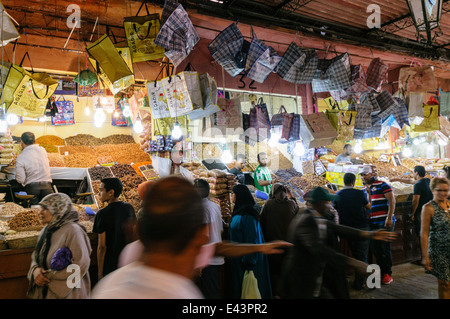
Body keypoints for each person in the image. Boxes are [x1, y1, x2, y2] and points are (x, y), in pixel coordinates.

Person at [92, 176, 291, 299]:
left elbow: (218, 248)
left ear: (135, 229)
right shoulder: (180, 294)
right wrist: (259, 247)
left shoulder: (115, 277)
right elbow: (217, 248)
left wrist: (259, 247)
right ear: (199, 236)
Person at [279, 187, 397, 299]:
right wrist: (356, 264)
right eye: (327, 202)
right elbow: (321, 251)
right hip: (299, 279)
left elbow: (339, 229)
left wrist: (370, 234)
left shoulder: (317, 217)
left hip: (314, 275)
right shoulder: (305, 222)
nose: (330, 205)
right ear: (319, 204)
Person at [27, 193, 92, 299]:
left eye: (45, 208)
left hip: (69, 294)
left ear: (59, 210)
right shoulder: (46, 230)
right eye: (41, 208)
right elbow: (36, 255)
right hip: (46, 292)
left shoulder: (73, 230)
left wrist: (49, 277)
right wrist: (35, 271)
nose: (40, 212)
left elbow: (80, 264)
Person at [228, 184, 272, 299]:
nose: (232, 196)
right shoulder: (240, 211)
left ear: (239, 196)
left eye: (233, 193)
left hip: (247, 262)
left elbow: (251, 238)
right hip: (238, 259)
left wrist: (249, 263)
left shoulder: (248, 214)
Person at [334, 172, 372, 290]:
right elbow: (369, 207)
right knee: (362, 256)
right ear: (353, 182)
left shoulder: (338, 194)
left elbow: (334, 209)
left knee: (356, 255)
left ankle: (359, 281)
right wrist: (369, 194)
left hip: (347, 230)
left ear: (343, 181)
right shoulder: (359, 193)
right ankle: (361, 283)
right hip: (361, 228)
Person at [260, 183, 299, 297]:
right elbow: (296, 207)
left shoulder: (268, 204)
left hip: (272, 244)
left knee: (273, 272)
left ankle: (275, 294)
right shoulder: (291, 204)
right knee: (285, 271)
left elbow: (262, 222)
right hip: (288, 244)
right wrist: (290, 195)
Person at [93, 177, 136, 281]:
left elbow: (102, 247)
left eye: (101, 190)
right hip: (126, 261)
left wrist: (99, 272)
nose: (99, 193)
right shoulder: (129, 208)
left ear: (111, 192)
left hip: (110, 264)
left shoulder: (101, 214)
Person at [360, 165, 396, 285]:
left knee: (384, 248)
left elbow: (392, 200)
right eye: (361, 175)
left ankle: (388, 274)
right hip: (373, 223)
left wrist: (389, 217)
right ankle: (381, 272)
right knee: (376, 249)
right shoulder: (363, 189)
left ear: (371, 174)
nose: (363, 177)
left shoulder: (382, 185)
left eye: (365, 174)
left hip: (384, 221)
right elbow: (369, 205)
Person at [193, 178, 225, 299]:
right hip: (218, 256)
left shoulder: (202, 209)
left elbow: (205, 236)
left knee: (210, 293)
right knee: (214, 290)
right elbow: (221, 230)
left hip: (208, 260)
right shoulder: (215, 206)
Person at [420, 177, 450, 299]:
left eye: (446, 190)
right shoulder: (428, 208)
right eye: (439, 190)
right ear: (432, 190)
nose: (443, 193)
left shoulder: (449, 205)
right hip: (439, 251)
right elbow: (424, 233)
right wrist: (425, 256)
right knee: (444, 283)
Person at [390, 165, 432, 244]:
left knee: (422, 234)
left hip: (421, 212)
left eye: (413, 172)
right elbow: (410, 181)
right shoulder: (427, 180)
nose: (413, 175)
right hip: (430, 210)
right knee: (429, 233)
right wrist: (397, 179)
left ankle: (424, 254)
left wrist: (412, 213)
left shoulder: (418, 185)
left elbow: (415, 201)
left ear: (416, 173)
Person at [15, 132, 53, 205]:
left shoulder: (21, 157)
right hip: (47, 187)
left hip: (32, 189)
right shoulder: (43, 150)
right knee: (48, 212)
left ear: (21, 142)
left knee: (33, 213)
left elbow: (21, 179)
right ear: (34, 141)